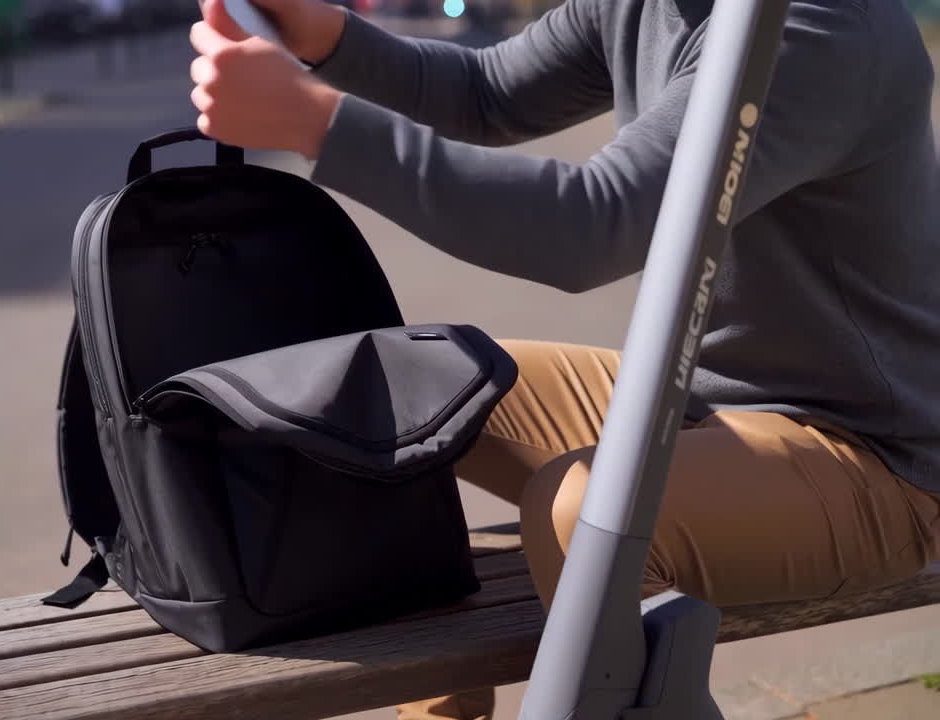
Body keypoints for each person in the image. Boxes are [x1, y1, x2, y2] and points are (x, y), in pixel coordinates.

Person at [189, 0, 940, 718]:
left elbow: (592, 224)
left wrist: (315, 123)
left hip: (874, 456)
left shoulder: (818, 28)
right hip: (702, 403)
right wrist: (326, 36)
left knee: (583, 520)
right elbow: (487, 95)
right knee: (401, 402)